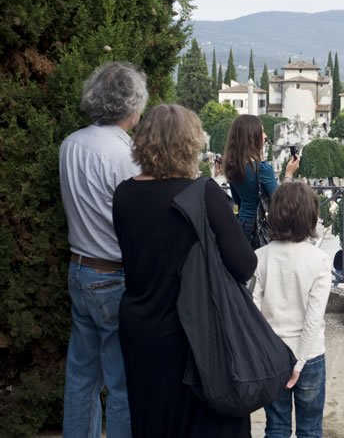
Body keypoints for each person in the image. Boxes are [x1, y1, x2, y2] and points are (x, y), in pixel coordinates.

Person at [112, 104, 256, 437]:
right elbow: (244, 264)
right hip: (195, 335)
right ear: (190, 144)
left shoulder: (124, 194)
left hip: (142, 328)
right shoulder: (203, 193)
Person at [59, 62, 147, 438]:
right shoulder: (125, 155)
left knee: (81, 375)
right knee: (123, 381)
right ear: (131, 105)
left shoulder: (70, 144)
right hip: (113, 275)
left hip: (79, 268)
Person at [252, 181, 331, 438]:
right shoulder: (318, 260)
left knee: (276, 427)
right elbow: (313, 318)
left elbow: (253, 313)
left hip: (272, 353)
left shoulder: (260, 257)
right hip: (309, 355)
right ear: (310, 216)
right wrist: (299, 361)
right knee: (310, 429)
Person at [223, 114, 299, 247]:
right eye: (262, 132)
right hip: (261, 226)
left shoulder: (232, 166)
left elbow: (237, 200)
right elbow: (280, 202)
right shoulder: (262, 168)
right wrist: (289, 174)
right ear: (251, 138)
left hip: (242, 224)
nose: (265, 136)